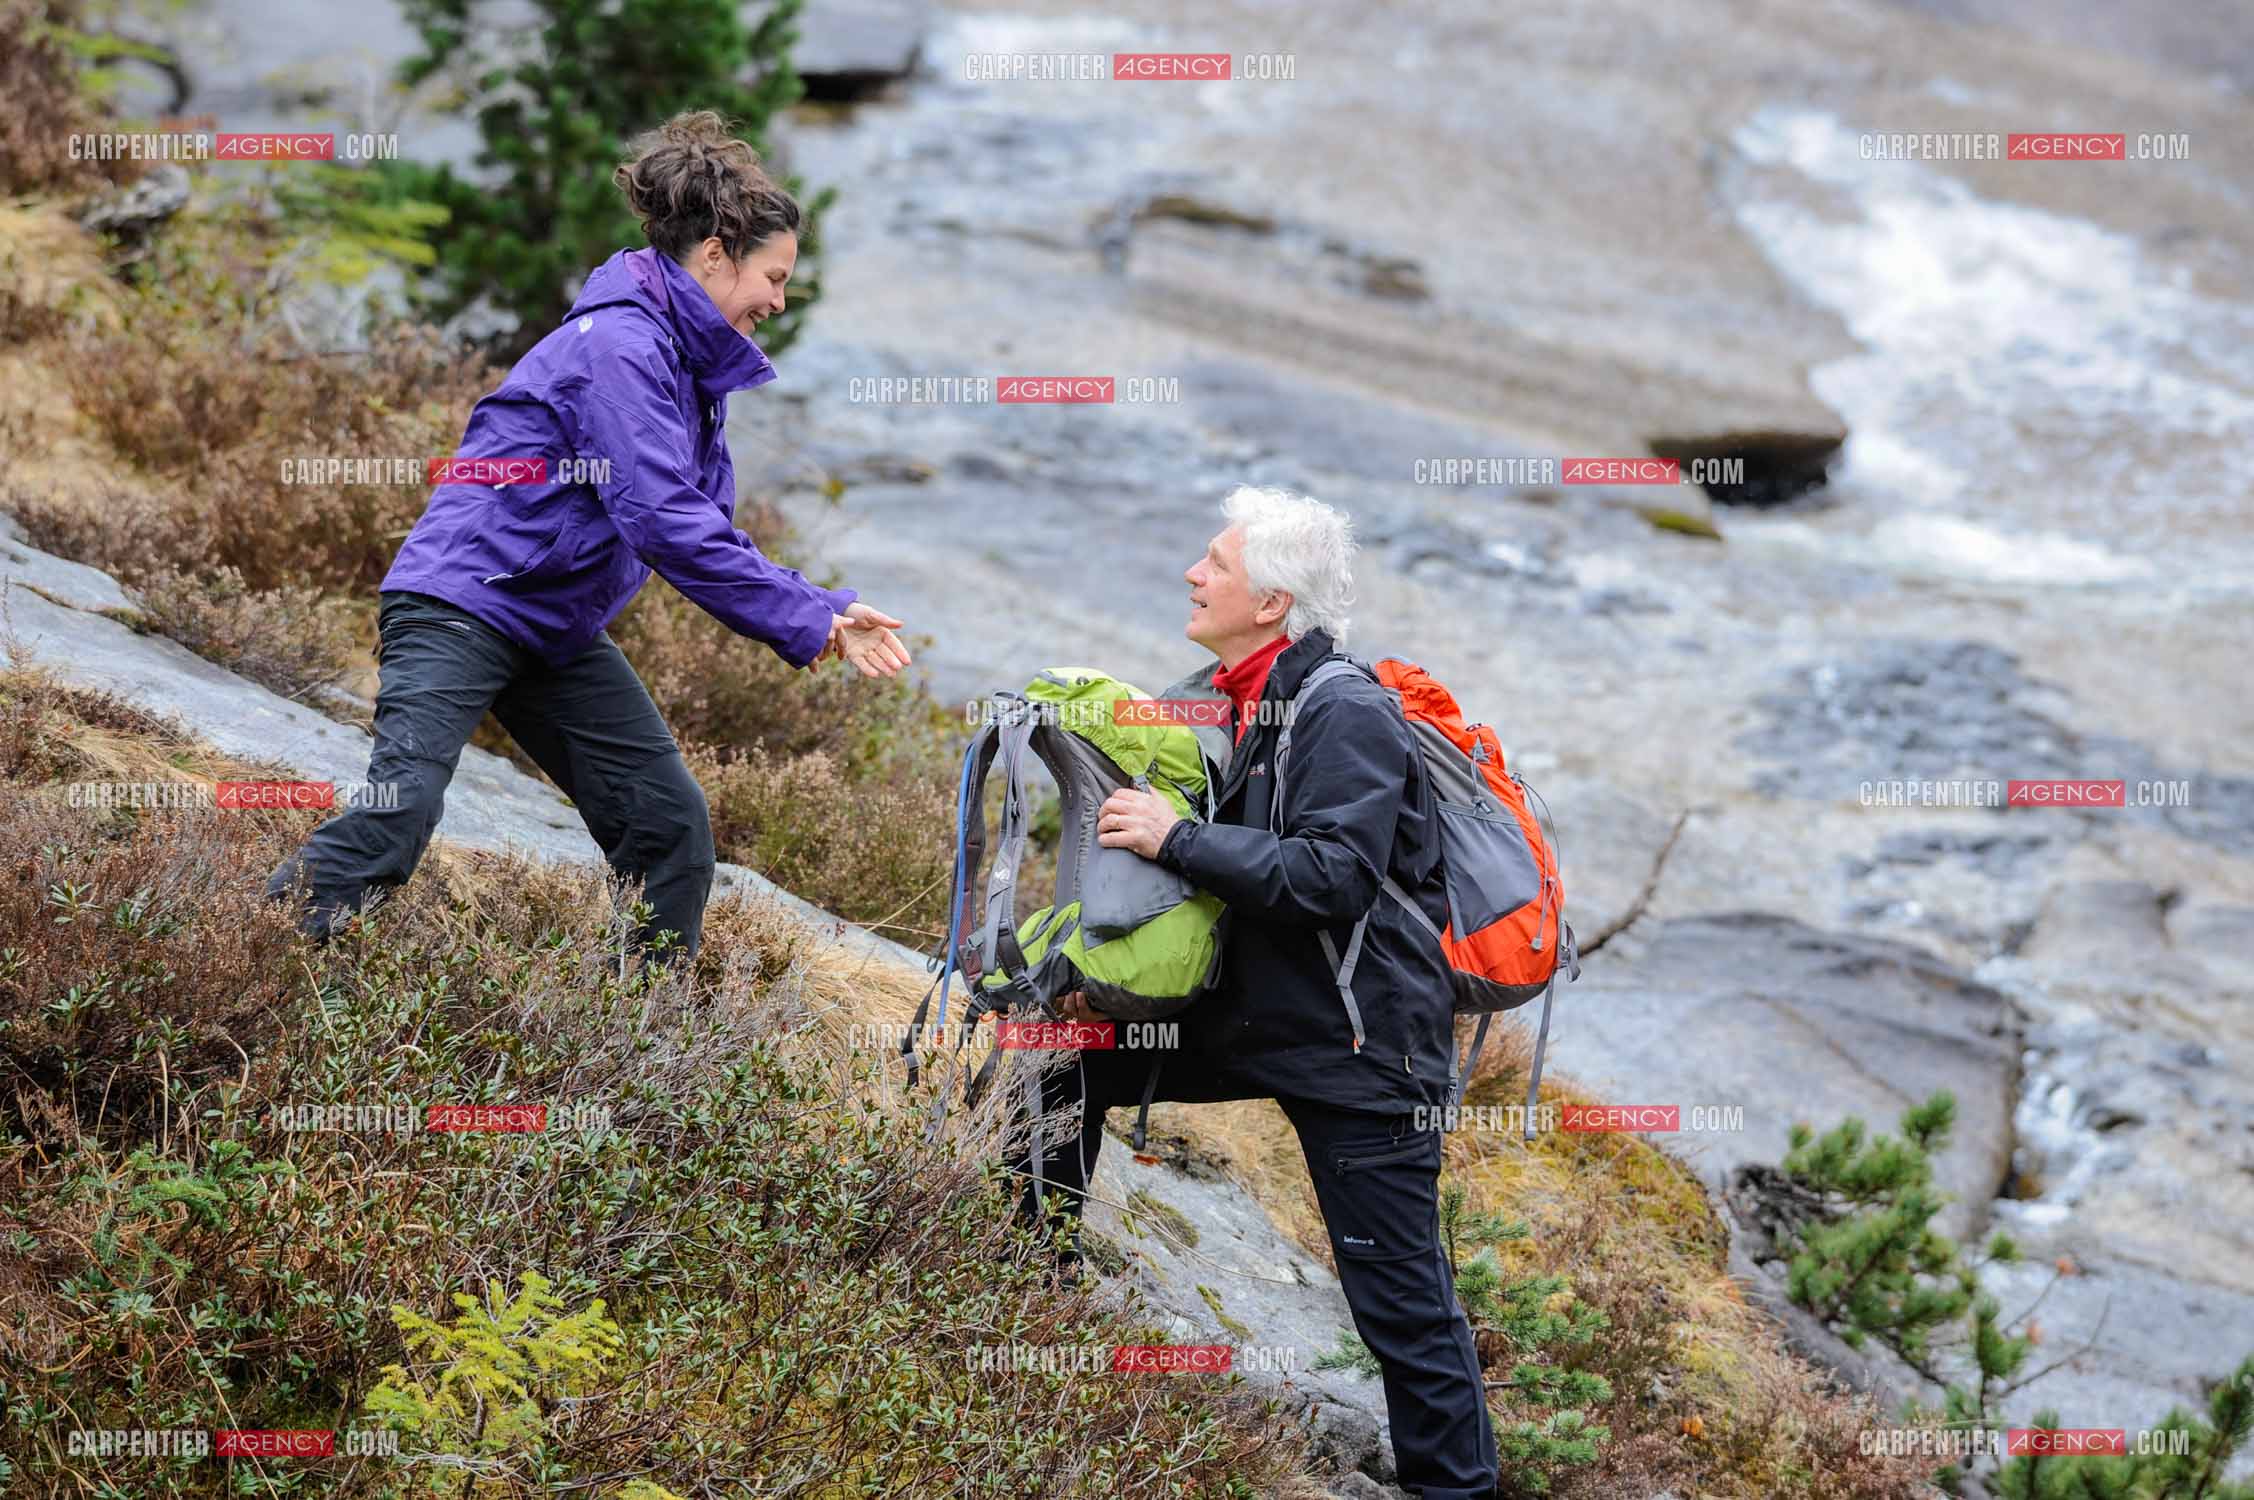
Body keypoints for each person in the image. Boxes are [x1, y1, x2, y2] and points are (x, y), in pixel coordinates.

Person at [266, 110, 910, 962]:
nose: (779, 301)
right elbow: (662, 519)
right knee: (397, 817)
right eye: (774, 276)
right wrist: (806, 616)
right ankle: (240, 959)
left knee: (668, 830)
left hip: (552, 626)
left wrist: (820, 605)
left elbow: (697, 519)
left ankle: (639, 1041)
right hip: (463, 602)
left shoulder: (679, 361)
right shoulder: (620, 346)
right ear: (715, 253)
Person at [1017, 485, 1500, 1500]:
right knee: (1055, 1059)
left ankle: (1455, 1491)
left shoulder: (1344, 711)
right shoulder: (1227, 692)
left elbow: (1331, 875)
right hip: (1260, 1015)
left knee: (1399, 1306)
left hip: (1364, 1048)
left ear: (1273, 601)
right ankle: (1025, 1299)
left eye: (1216, 564)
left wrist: (1174, 837)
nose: (1194, 575)